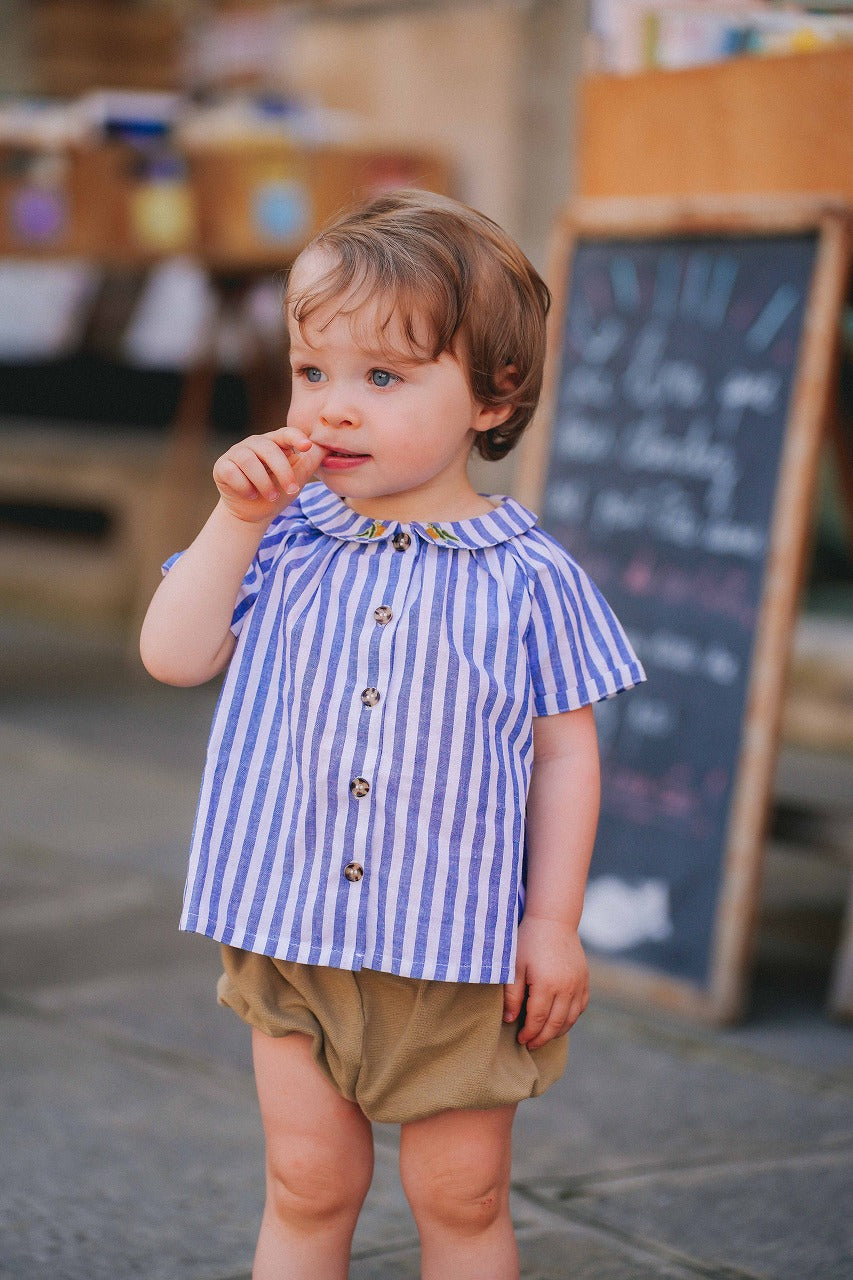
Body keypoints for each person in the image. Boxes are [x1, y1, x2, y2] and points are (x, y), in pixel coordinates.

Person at [140, 189, 645, 1280]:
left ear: (491, 398)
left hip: (458, 953)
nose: (331, 409)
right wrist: (233, 519)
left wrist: (550, 922)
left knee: (459, 1198)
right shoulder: (279, 541)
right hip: (290, 929)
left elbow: (566, 752)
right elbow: (175, 655)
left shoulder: (530, 577)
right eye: (312, 371)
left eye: (383, 376)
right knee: (306, 1182)